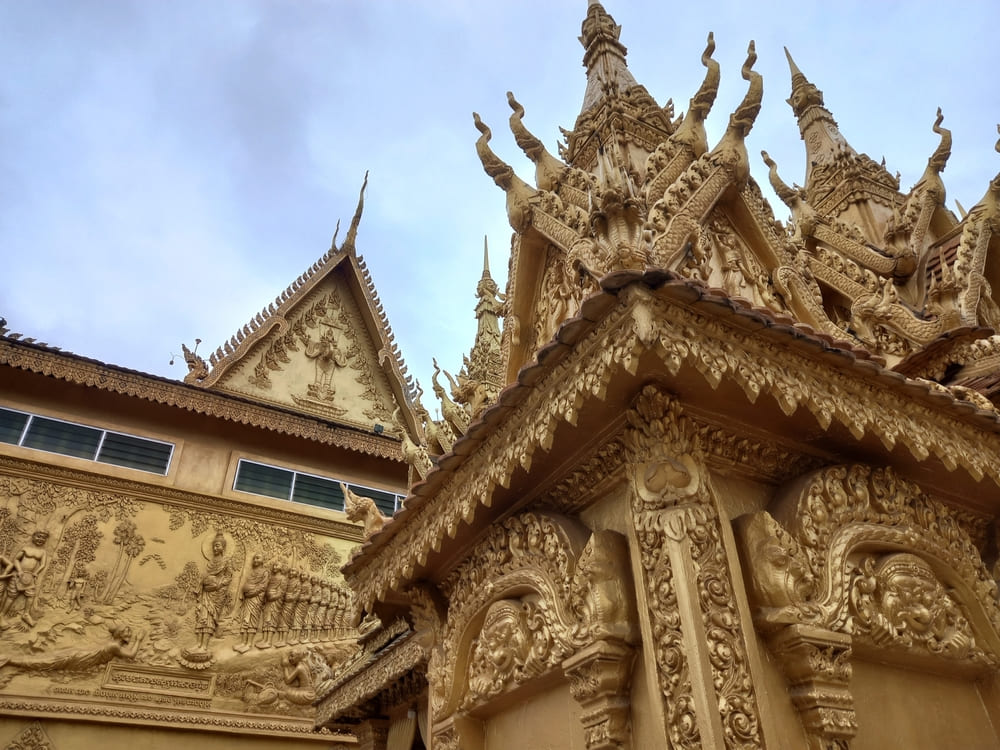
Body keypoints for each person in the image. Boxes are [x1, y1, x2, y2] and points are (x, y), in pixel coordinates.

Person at [1, 530, 50, 628]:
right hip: (18, 575)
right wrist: (19, 571)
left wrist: (36, 573)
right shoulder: (26, 548)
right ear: (33, 537)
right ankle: (1, 616)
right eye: (38, 536)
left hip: (30, 577)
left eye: (43, 537)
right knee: (11, 596)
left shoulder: (42, 552)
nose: (40, 539)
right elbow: (16, 559)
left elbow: (43, 564)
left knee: (30, 595)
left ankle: (26, 614)